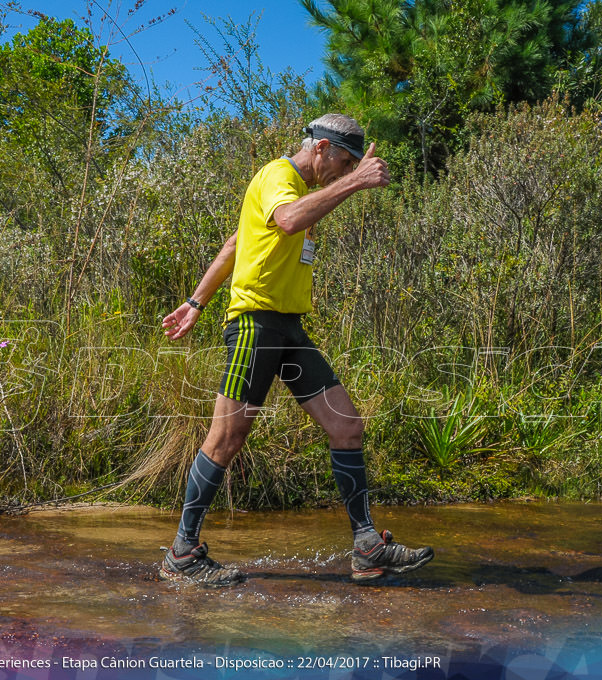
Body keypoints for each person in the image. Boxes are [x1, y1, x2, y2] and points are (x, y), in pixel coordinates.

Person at [158, 113, 434, 586]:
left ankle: (368, 547)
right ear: (322, 148)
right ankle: (182, 553)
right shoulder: (278, 176)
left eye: (353, 168)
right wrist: (356, 184)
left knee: (346, 425)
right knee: (226, 439)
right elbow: (286, 221)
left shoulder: (295, 188)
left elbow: (237, 241)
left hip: (288, 329)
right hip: (254, 326)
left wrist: (194, 302)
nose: (346, 173)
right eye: (344, 163)